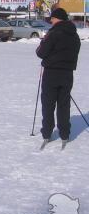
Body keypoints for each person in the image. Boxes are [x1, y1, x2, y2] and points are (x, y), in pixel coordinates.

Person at [35, 8, 81, 146]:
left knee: (48, 104)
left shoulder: (53, 33)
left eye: (52, 19)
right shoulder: (74, 35)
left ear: (57, 18)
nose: (51, 21)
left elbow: (41, 52)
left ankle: (47, 133)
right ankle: (65, 134)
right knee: (64, 104)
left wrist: (44, 44)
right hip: (67, 73)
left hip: (51, 73)